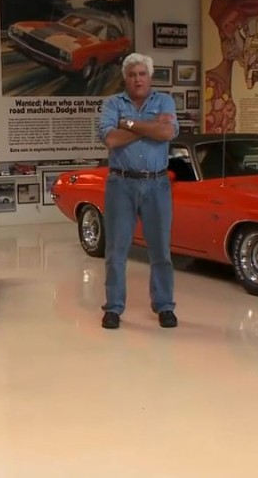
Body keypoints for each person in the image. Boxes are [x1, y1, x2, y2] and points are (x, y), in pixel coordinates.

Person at [95, 53, 179, 329]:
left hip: (157, 184)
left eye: (142, 73)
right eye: (132, 75)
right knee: (116, 251)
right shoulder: (112, 104)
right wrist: (151, 127)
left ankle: (165, 306)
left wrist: (129, 124)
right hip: (121, 184)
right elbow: (111, 139)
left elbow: (167, 134)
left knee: (161, 252)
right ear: (125, 78)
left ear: (150, 77)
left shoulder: (164, 101)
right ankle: (114, 308)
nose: (138, 79)